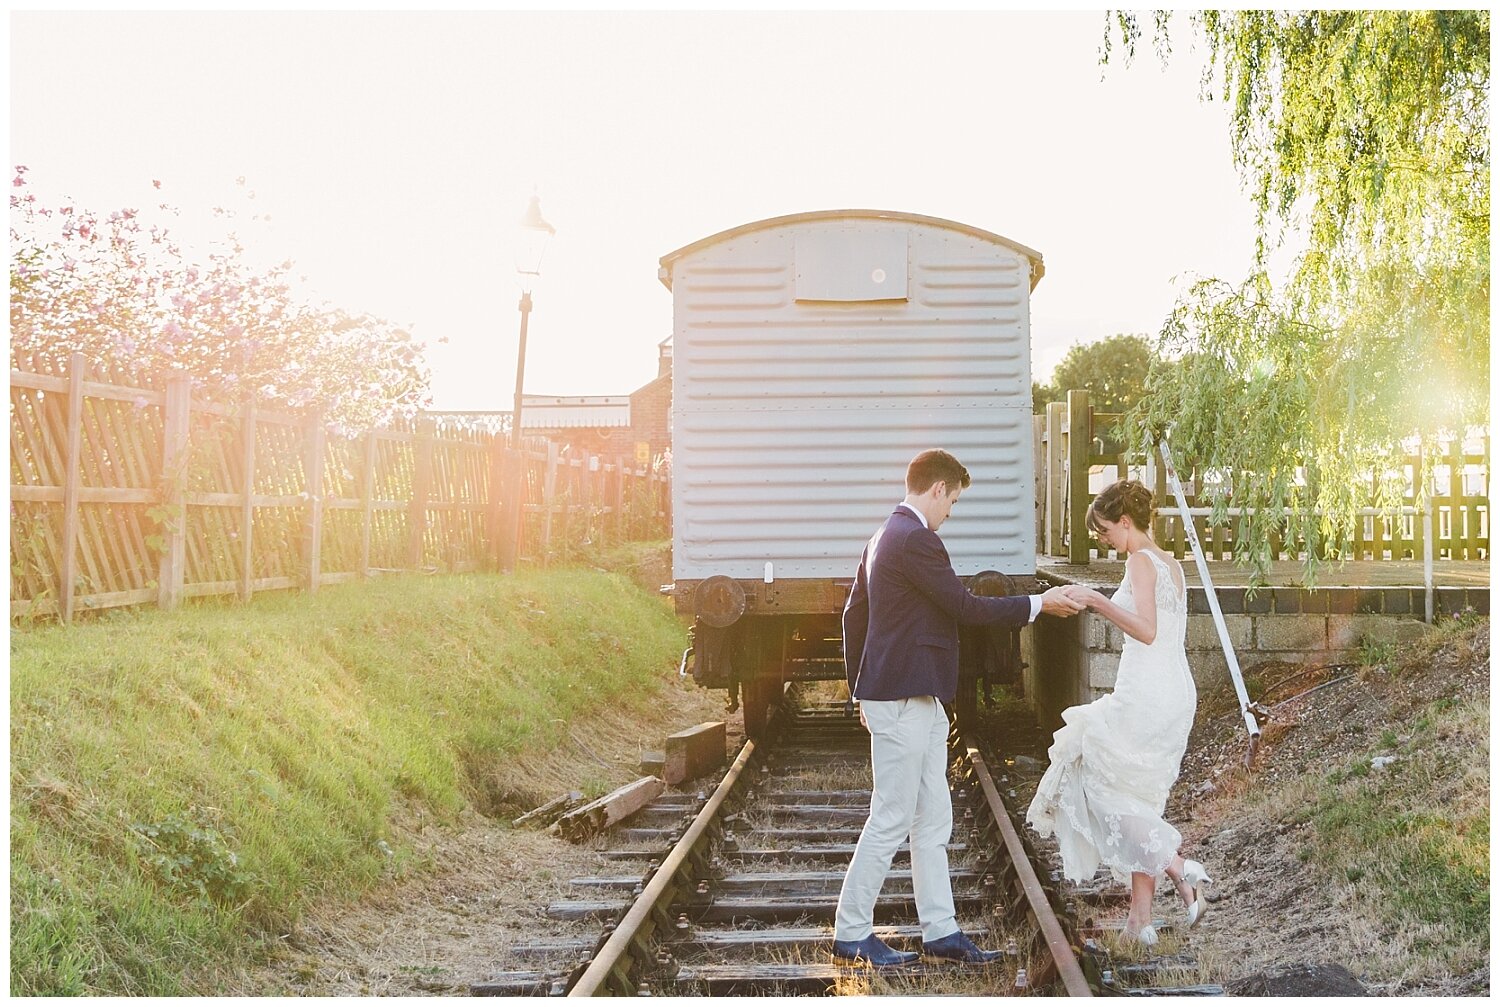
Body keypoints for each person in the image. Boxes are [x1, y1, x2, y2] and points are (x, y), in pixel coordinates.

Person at [833, 448, 1085, 967]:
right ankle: (851, 931)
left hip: (911, 696)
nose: (951, 513)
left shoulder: (883, 536)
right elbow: (966, 607)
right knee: (893, 814)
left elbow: (852, 617)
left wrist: (861, 686)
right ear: (936, 490)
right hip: (903, 697)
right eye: (953, 501)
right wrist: (1039, 604)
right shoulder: (917, 540)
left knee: (933, 815)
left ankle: (940, 929)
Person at [1024, 479, 1212, 947]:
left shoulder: (1141, 561)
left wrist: (1096, 600)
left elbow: (1146, 630)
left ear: (1126, 523)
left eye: (1107, 531)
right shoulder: (1171, 563)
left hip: (1147, 693)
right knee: (1140, 800)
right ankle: (1139, 921)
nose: (1105, 540)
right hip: (1172, 692)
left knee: (1093, 776)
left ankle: (1177, 866)